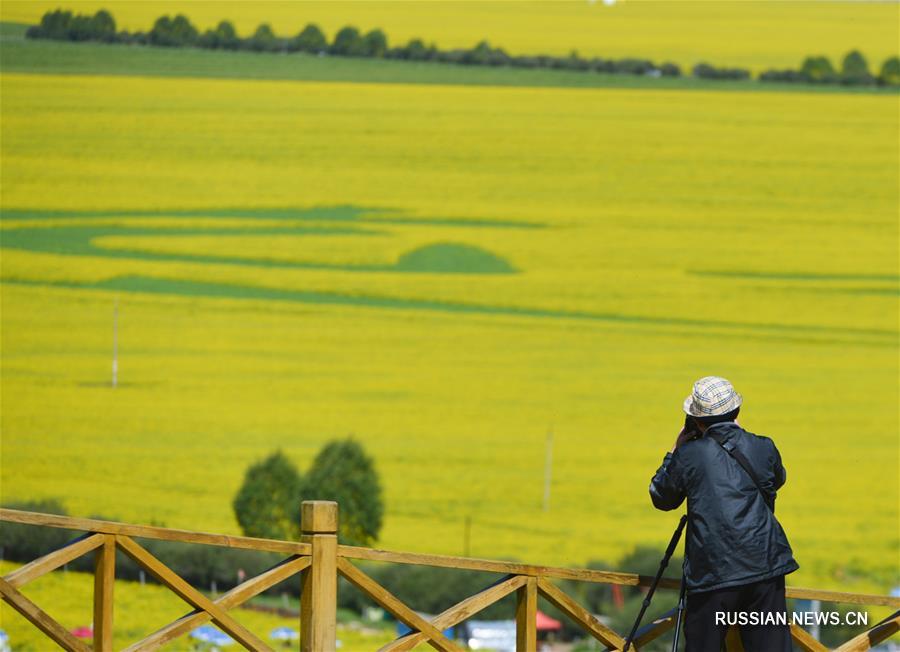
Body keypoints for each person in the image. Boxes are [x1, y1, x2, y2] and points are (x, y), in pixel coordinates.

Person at [649, 376, 798, 651]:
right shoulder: (763, 446)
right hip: (764, 566)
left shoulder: (690, 454)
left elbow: (662, 496)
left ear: (696, 420)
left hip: (712, 573)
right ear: (737, 411)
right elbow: (776, 479)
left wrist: (674, 451)